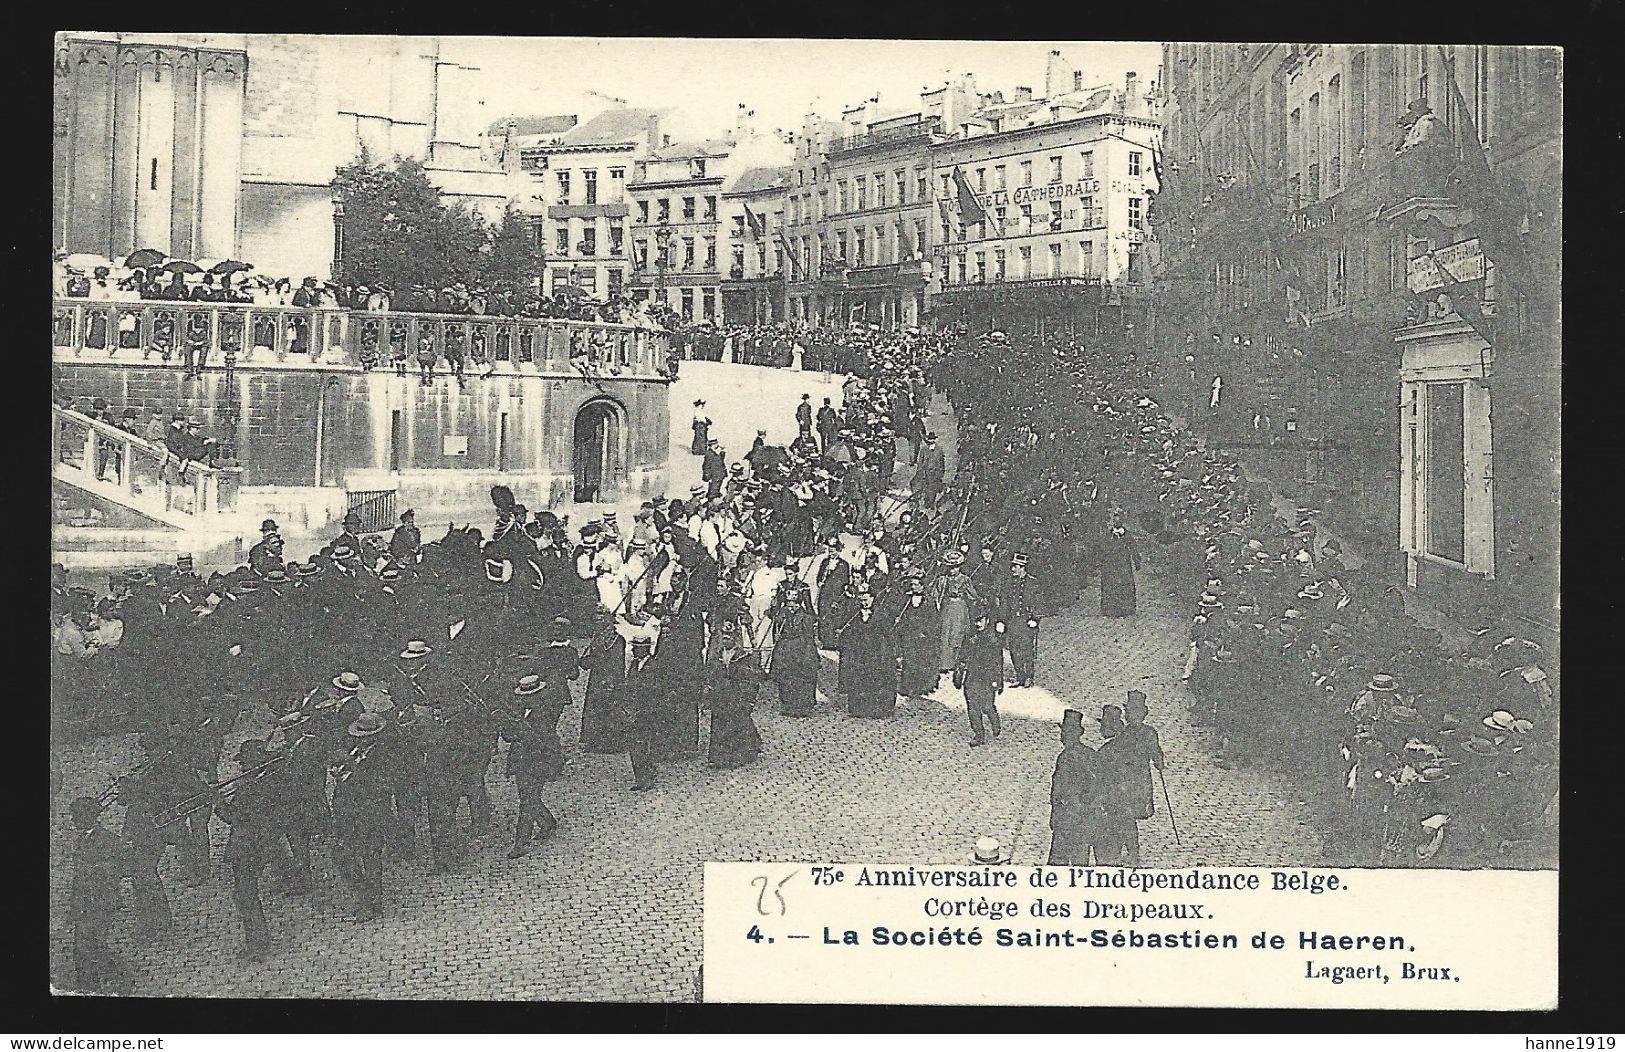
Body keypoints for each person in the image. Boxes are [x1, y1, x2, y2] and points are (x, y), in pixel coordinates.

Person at [68, 796, 135, 992]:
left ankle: (120, 977)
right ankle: (89, 986)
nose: (72, 821)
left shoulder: (108, 840)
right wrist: (74, 906)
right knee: (83, 946)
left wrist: (95, 869)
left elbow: (123, 868)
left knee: (90, 944)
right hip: (84, 902)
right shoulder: (83, 839)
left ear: (87, 817)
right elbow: (78, 878)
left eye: (75, 817)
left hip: (102, 902)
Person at [501, 675, 563, 858]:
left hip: (538, 762)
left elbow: (544, 740)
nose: (523, 699)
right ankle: (547, 822)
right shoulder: (518, 711)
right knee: (528, 798)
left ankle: (521, 842)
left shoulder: (545, 713)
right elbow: (508, 736)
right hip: (520, 762)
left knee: (527, 801)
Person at [703, 619, 763, 768]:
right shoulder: (717, 655)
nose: (726, 640)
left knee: (736, 726)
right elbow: (711, 675)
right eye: (723, 637)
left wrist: (747, 699)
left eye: (729, 637)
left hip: (736, 698)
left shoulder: (743, 657)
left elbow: (750, 681)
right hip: (720, 697)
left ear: (735, 639)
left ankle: (737, 756)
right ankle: (718, 758)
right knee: (719, 727)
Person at [1048, 710, 1101, 865]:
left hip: (1074, 817)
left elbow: (1096, 784)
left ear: (1077, 733)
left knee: (1060, 862)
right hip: (1074, 817)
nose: (1064, 735)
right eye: (1064, 731)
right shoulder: (1077, 754)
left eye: (1068, 732)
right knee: (1078, 861)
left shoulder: (1072, 757)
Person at [1094, 704, 1142, 865]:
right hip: (1128, 790)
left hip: (1116, 793)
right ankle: (1133, 853)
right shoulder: (1126, 741)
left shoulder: (1107, 750)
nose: (1101, 730)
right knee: (1127, 822)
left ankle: (1120, 855)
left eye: (1103, 726)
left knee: (1119, 823)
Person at [837, 592, 897, 717]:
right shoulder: (854, 615)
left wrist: (893, 652)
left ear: (873, 598)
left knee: (875, 680)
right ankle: (859, 709)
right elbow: (848, 631)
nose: (864, 603)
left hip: (876, 653)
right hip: (859, 653)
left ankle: (876, 709)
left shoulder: (881, 614)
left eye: (866, 600)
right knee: (859, 680)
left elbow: (889, 635)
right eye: (861, 600)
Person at [955, 609, 1005, 746]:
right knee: (972, 706)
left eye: (981, 620)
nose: (978, 624)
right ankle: (979, 734)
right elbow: (962, 657)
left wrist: (998, 682)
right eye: (976, 621)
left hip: (988, 678)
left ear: (987, 621)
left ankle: (994, 719)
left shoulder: (993, 639)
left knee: (987, 706)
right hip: (972, 677)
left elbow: (998, 662)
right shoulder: (970, 638)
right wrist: (958, 674)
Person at [768, 585, 819, 716]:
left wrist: (809, 655)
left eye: (794, 604)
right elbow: (774, 619)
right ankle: (787, 705)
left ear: (799, 604)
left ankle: (801, 707)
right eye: (789, 604)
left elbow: (809, 637)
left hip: (800, 649)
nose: (791, 607)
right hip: (785, 650)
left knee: (800, 679)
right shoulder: (782, 615)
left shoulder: (806, 618)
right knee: (785, 677)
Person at [929, 551, 981, 677]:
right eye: (950, 568)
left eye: (955, 567)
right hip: (947, 608)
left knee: (957, 635)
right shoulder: (943, 579)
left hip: (960, 608)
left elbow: (973, 596)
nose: (952, 570)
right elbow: (935, 594)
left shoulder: (965, 579)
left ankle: (956, 662)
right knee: (945, 634)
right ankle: (944, 663)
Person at [998, 552, 1045, 688]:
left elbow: (1038, 602)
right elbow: (1004, 602)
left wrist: (1035, 619)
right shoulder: (1009, 583)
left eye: (1015, 567)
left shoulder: (1033, 583)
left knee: (1027, 649)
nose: (1013, 569)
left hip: (1026, 620)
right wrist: (1002, 620)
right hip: (1013, 620)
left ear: (1022, 567)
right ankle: (1020, 676)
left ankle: (1029, 676)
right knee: (1014, 648)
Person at [892, 570, 939, 697]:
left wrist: (926, 633)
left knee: (920, 662)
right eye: (912, 584)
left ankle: (920, 687)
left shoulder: (929, 601)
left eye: (915, 584)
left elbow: (933, 620)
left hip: (921, 636)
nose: (913, 587)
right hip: (909, 633)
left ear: (922, 586)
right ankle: (907, 686)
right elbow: (901, 614)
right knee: (908, 659)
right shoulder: (907, 600)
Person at [1098, 519, 1140, 617]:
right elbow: (1101, 548)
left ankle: (1126, 609)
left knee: (1125, 584)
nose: (1117, 523)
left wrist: (1136, 561)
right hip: (1110, 564)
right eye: (1115, 521)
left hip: (1123, 563)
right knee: (1110, 585)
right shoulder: (1108, 535)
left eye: (1119, 521)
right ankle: (1110, 609)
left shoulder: (1127, 535)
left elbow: (1133, 547)